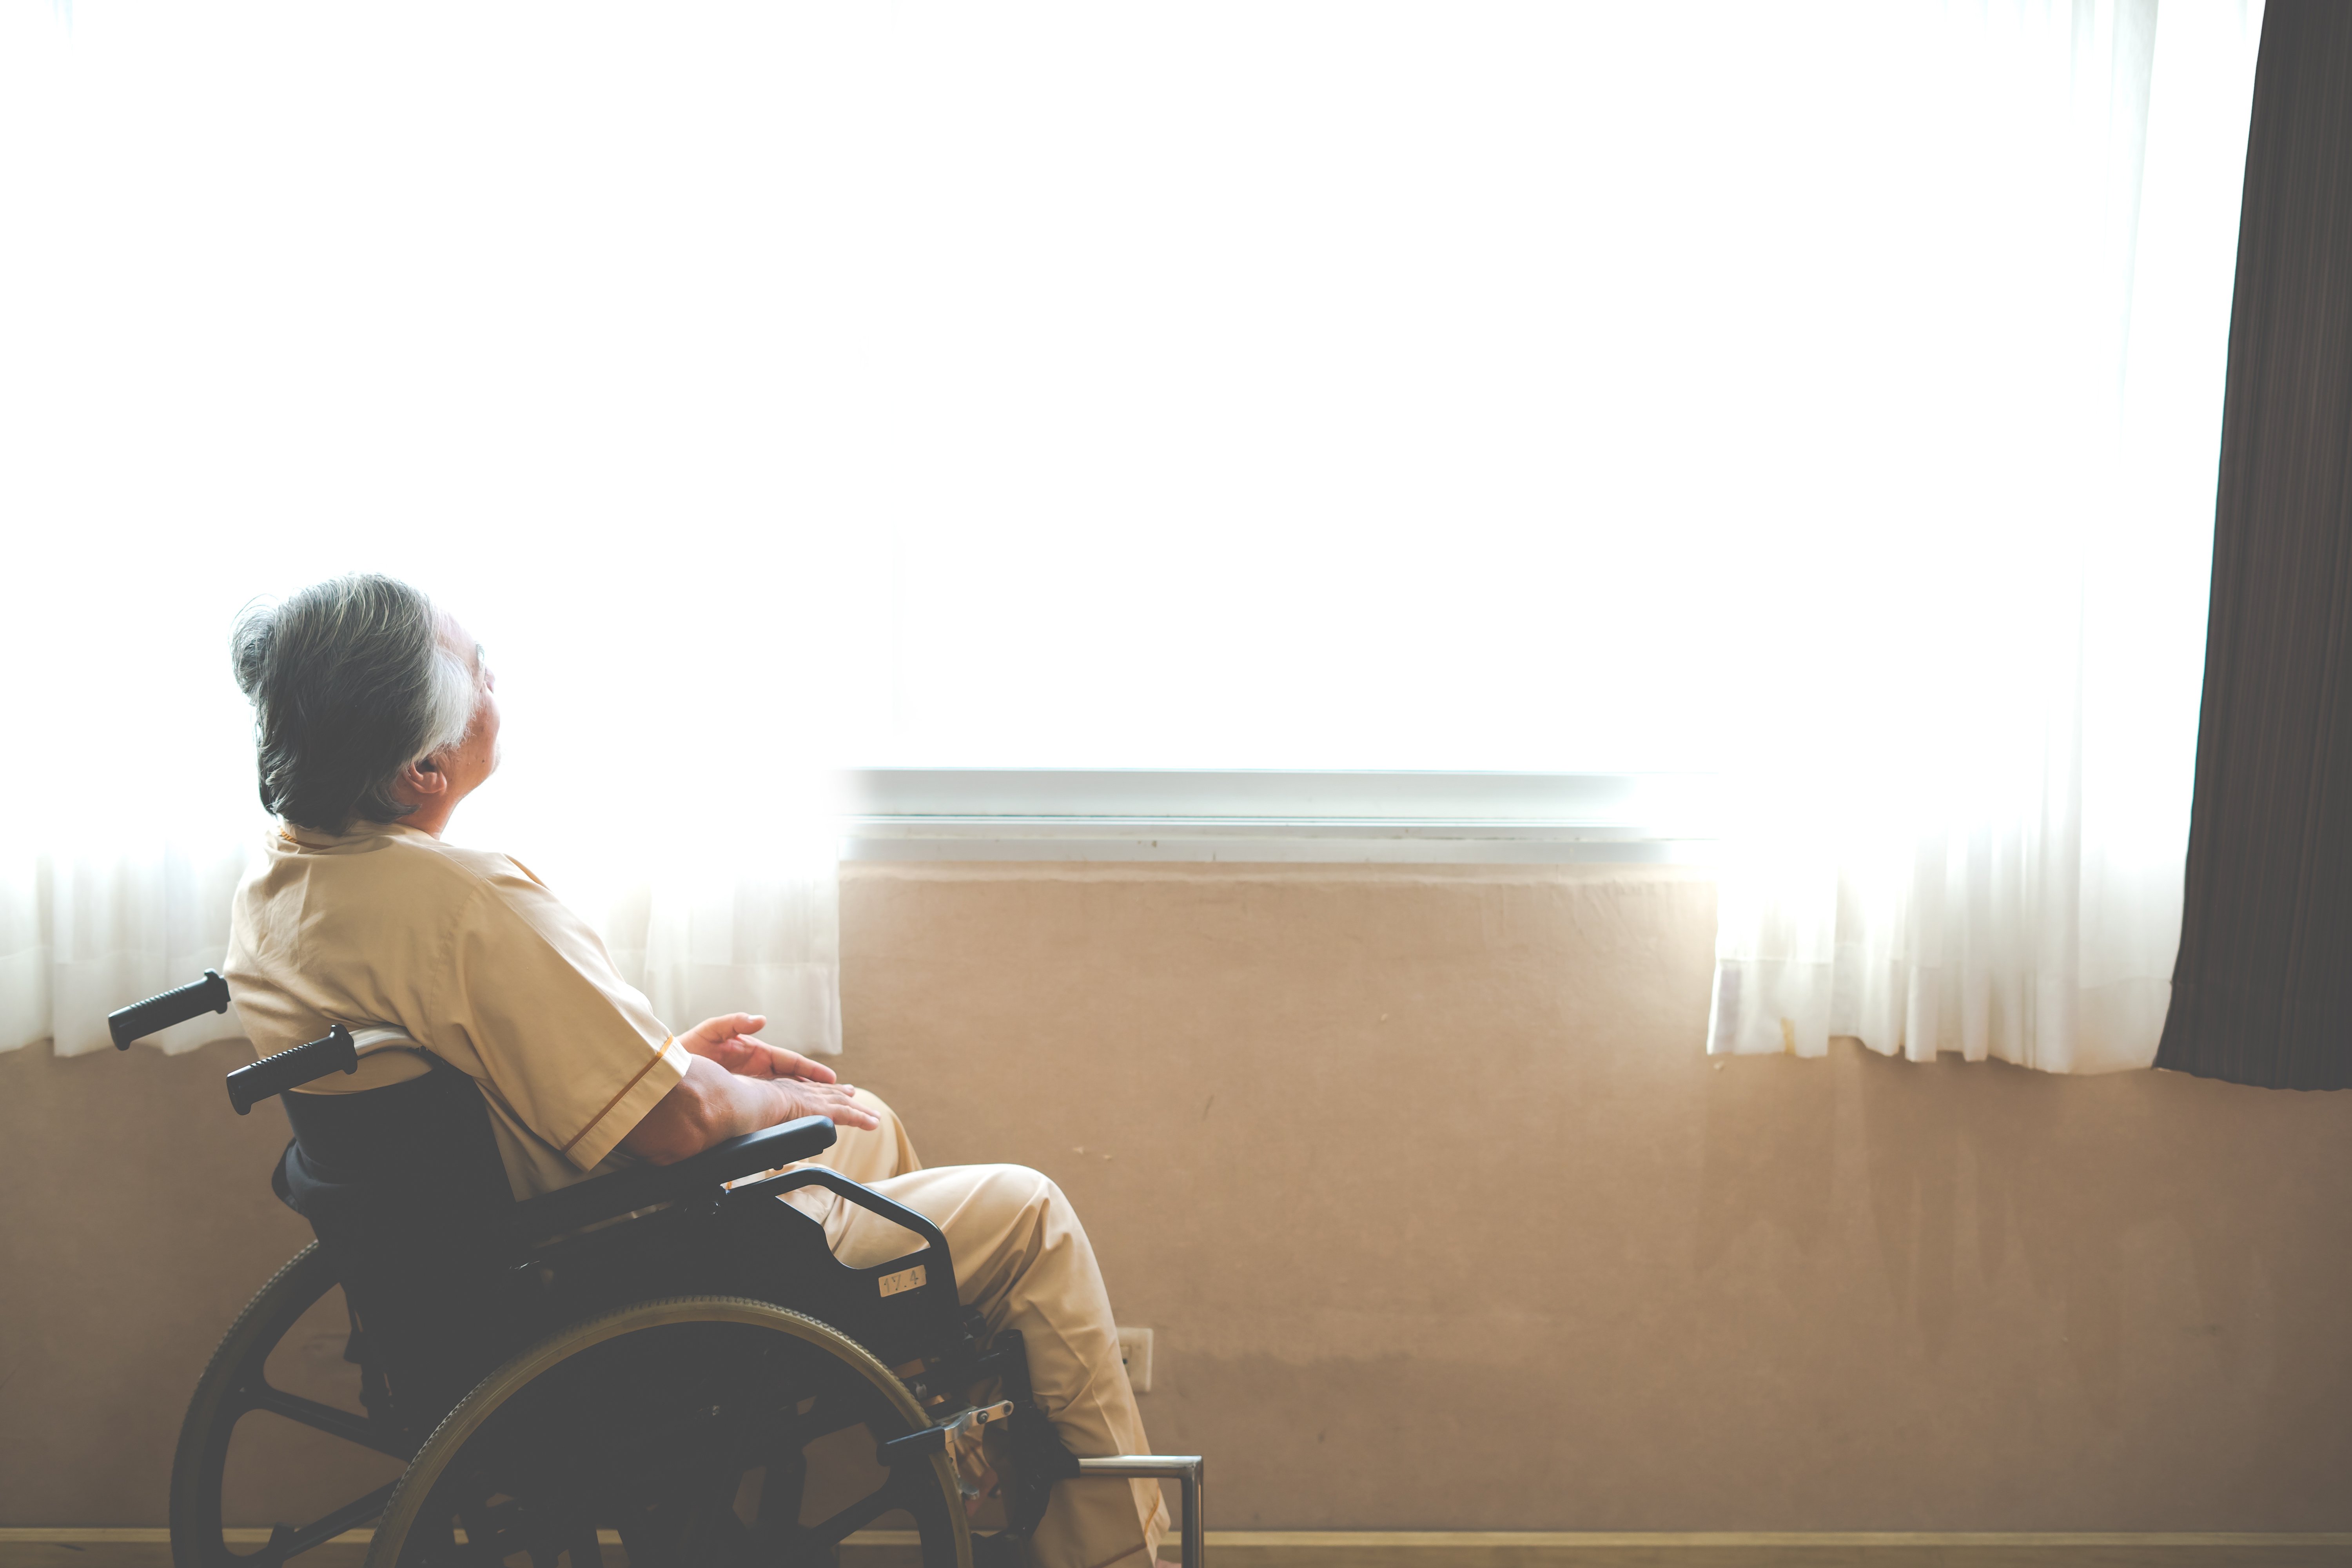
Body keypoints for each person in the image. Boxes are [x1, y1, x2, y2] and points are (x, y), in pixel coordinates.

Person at [221, 573, 1165, 1568]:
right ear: (423, 764)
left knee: (863, 1121)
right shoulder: (462, 902)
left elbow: (492, 1063)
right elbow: (675, 1125)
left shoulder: (287, 886)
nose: (494, 677)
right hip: (601, 1281)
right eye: (476, 666)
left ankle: (941, 1431)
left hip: (475, 1272)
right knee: (1025, 1209)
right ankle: (1110, 1547)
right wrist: (753, 1092)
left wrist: (668, 1062)